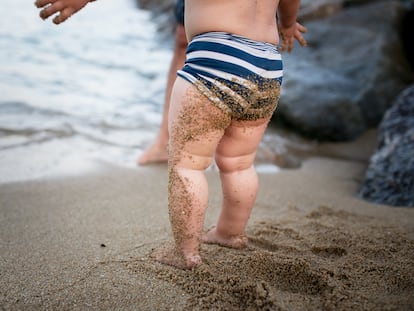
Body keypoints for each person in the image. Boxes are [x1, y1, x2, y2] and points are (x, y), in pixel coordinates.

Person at [153, 0, 307, 269]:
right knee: (239, 163)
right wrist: (288, 23)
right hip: (267, 66)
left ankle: (185, 253)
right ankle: (230, 233)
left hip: (215, 57)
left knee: (188, 165)